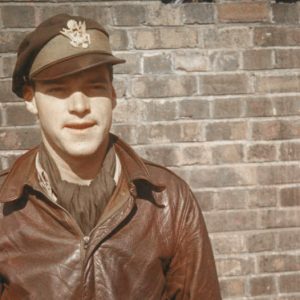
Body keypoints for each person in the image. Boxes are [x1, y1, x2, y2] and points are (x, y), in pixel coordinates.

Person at [0, 14, 221, 299]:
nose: (79, 106)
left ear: (113, 96)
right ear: (31, 99)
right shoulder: (4, 208)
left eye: (95, 87)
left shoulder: (169, 200)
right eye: (59, 89)